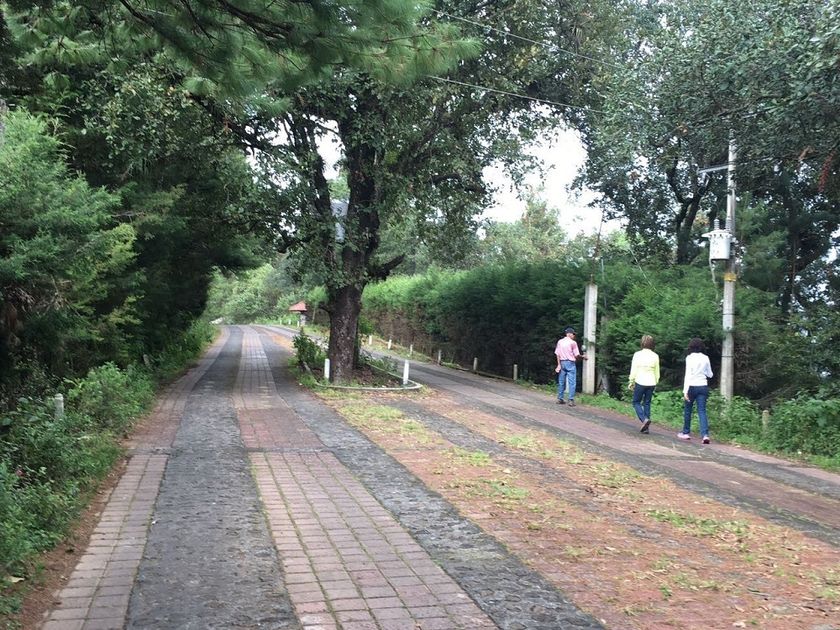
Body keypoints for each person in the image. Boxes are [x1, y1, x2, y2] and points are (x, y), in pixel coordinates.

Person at [679, 337, 714, 444]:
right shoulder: (706, 358)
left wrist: (685, 391)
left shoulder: (689, 358)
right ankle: (705, 435)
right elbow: (710, 374)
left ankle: (686, 432)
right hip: (703, 386)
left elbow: (688, 375)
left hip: (691, 386)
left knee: (688, 410)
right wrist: (703, 372)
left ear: (691, 347)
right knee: (702, 411)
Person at [628, 335, 660, 434]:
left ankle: (644, 419)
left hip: (640, 381)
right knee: (647, 403)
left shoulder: (637, 354)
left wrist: (631, 381)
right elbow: (657, 372)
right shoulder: (655, 356)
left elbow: (634, 369)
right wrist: (656, 381)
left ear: (642, 343)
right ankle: (646, 428)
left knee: (636, 402)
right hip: (651, 382)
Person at [555, 326, 586, 407]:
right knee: (572, 382)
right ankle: (571, 400)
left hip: (562, 362)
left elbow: (557, 354)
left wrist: (558, 364)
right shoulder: (573, 343)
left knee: (561, 381)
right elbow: (577, 355)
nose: (574, 336)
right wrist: (583, 357)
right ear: (569, 334)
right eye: (573, 334)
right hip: (570, 363)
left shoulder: (560, 342)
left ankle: (560, 398)